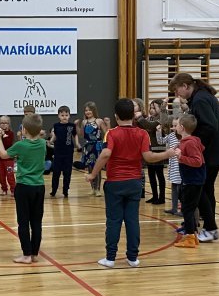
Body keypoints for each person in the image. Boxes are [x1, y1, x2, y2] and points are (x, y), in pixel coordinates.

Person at [85, 98, 175, 268]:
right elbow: (148, 157)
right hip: (134, 182)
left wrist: (92, 174)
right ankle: (133, 258)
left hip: (115, 183)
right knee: (132, 220)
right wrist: (167, 154)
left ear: (116, 116)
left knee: (114, 221)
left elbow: (105, 154)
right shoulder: (142, 134)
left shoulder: (111, 133)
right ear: (134, 115)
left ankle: (110, 258)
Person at [169, 73, 219, 243]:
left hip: (212, 151)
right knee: (205, 189)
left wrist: (195, 147)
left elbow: (210, 126)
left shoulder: (200, 99)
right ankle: (207, 227)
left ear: (185, 86)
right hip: (213, 150)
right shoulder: (200, 97)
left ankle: (211, 228)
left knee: (201, 189)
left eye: (177, 90)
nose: (177, 94)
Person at [0, 113, 46, 265]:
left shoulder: (20, 145)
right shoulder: (43, 143)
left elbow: (3, 155)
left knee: (23, 222)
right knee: (36, 222)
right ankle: (34, 253)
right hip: (39, 187)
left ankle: (26, 255)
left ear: (24, 130)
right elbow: (40, 136)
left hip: (24, 187)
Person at [173, 114, 206, 249]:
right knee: (188, 208)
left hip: (193, 180)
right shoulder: (191, 141)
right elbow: (202, 148)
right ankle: (193, 235)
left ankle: (190, 238)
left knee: (187, 209)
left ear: (182, 127)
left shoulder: (190, 142)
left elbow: (197, 161)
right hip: (190, 179)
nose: (175, 127)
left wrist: (181, 157)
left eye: (176, 125)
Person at [76, 102, 106, 195]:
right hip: (88, 146)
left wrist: (108, 124)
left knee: (97, 167)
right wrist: (77, 125)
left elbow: (106, 132)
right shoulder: (84, 122)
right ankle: (93, 188)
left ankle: (98, 189)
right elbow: (81, 134)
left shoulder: (99, 121)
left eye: (89, 110)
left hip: (97, 146)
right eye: (86, 110)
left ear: (94, 110)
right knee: (89, 167)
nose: (88, 112)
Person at [49, 105, 76, 198]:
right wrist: (51, 141)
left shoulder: (71, 126)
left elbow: (75, 135)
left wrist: (77, 144)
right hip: (58, 152)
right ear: (58, 116)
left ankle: (65, 190)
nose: (64, 117)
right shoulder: (56, 126)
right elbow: (55, 136)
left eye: (66, 115)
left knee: (67, 172)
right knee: (56, 172)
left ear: (69, 116)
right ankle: (54, 190)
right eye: (62, 115)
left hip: (68, 152)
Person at [158, 115, 182, 215]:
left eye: (175, 125)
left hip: (180, 166)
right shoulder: (171, 135)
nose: (173, 128)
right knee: (174, 187)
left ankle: (183, 209)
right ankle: (174, 208)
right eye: (173, 125)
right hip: (173, 166)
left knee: (180, 189)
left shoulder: (184, 137)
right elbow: (161, 141)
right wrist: (159, 132)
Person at [0, 115, 16, 196]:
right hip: (0, 159)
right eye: (2, 123)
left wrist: (4, 135)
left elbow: (8, 144)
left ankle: (13, 189)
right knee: (1, 175)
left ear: (9, 124)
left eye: (5, 123)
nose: (3, 125)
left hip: (9, 158)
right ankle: (4, 189)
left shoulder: (11, 133)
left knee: (10, 175)